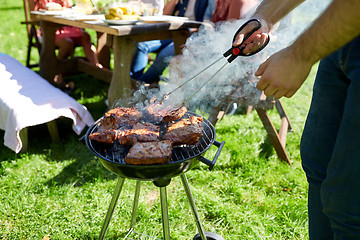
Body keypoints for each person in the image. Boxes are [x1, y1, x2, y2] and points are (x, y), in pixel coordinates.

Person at [232, 0, 360, 238]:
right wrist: (263, 17)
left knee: (350, 201)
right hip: (341, 38)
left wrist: (300, 55)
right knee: (317, 167)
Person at [130, 0, 210, 86]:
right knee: (142, 45)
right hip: (173, 33)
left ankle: (138, 85)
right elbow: (165, 14)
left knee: (163, 56)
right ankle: (134, 81)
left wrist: (189, 30)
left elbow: (207, 24)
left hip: (192, 37)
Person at [33, 0, 101, 90]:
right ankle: (57, 71)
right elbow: (33, 17)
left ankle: (97, 69)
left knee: (85, 37)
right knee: (67, 43)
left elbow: (73, 9)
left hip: (70, 26)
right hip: (52, 28)